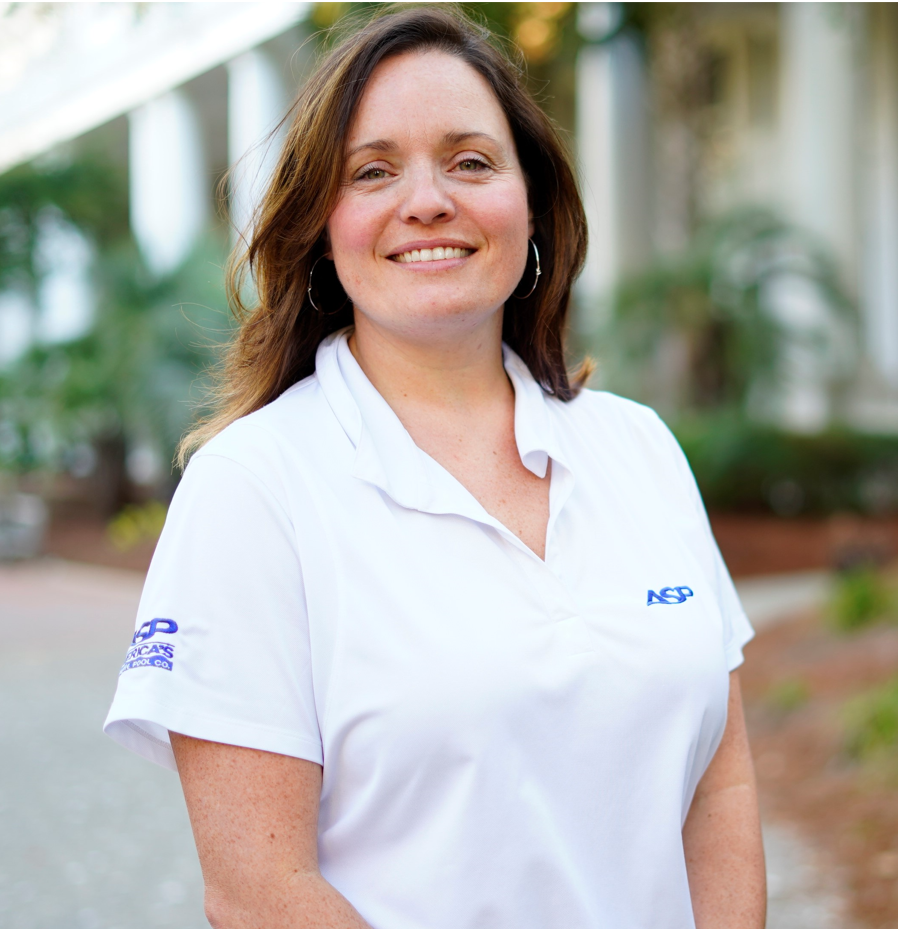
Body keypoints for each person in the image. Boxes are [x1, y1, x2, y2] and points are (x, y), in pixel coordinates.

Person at [104, 6, 766, 928]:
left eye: (470, 161)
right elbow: (260, 890)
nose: (427, 201)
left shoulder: (638, 446)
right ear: (320, 231)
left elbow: (719, 781)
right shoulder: (252, 489)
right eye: (373, 171)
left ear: (530, 205)